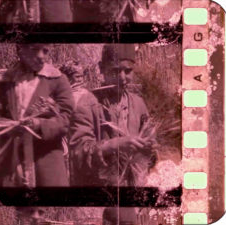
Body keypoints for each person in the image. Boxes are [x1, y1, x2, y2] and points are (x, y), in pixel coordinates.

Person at [0, 44, 74, 188]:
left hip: (47, 161)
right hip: (12, 161)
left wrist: (38, 125)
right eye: (35, 49)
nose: (41, 56)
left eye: (45, 50)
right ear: (20, 50)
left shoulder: (58, 80)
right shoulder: (6, 81)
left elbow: (66, 119)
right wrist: (9, 127)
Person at [94, 44, 156, 225]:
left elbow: (152, 142)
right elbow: (82, 151)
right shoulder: (91, 104)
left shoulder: (138, 103)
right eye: (115, 70)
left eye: (127, 71)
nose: (122, 77)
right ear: (101, 69)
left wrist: (148, 146)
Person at [60, 61, 103, 186]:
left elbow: (98, 126)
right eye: (77, 76)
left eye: (81, 76)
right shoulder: (62, 98)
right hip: (67, 149)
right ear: (67, 78)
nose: (81, 80)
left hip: (85, 148)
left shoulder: (90, 98)